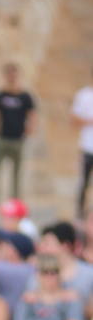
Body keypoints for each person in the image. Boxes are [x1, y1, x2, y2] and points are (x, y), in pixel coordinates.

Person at [0, 64, 36, 202]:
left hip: (18, 139)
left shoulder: (25, 96)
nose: (12, 77)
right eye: (9, 74)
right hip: (2, 138)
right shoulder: (0, 95)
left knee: (16, 173)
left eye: (14, 74)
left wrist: (30, 129)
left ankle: (15, 201)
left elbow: (32, 114)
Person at [70, 68, 93, 217]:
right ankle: (80, 214)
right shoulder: (84, 95)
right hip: (88, 146)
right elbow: (74, 119)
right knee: (84, 182)